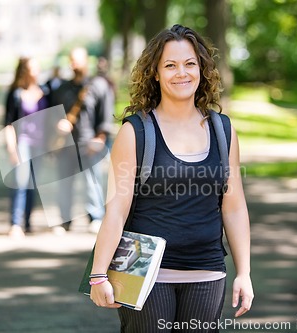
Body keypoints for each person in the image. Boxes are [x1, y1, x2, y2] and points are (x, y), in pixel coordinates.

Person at [88, 24, 254, 332]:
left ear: (202, 69)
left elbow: (233, 206)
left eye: (190, 63)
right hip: (144, 273)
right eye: (170, 65)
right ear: (155, 73)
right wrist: (99, 274)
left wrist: (243, 272)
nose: (182, 73)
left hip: (207, 272)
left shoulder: (223, 130)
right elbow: (117, 208)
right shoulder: (135, 132)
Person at [49, 47, 115, 233]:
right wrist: (57, 124)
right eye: (71, 60)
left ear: (87, 61)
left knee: (92, 181)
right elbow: (51, 114)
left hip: (89, 143)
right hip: (66, 145)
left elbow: (107, 113)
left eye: (77, 60)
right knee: (64, 183)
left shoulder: (98, 86)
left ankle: (95, 217)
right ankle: (65, 219)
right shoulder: (62, 88)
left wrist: (101, 137)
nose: (74, 64)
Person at [4, 57, 49, 238]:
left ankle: (28, 222)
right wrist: (11, 147)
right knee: (21, 181)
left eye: (37, 68)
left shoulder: (45, 91)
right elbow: (8, 123)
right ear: (24, 71)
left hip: (40, 144)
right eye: (32, 68)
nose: (35, 72)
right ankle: (15, 223)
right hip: (22, 142)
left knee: (33, 184)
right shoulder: (15, 94)